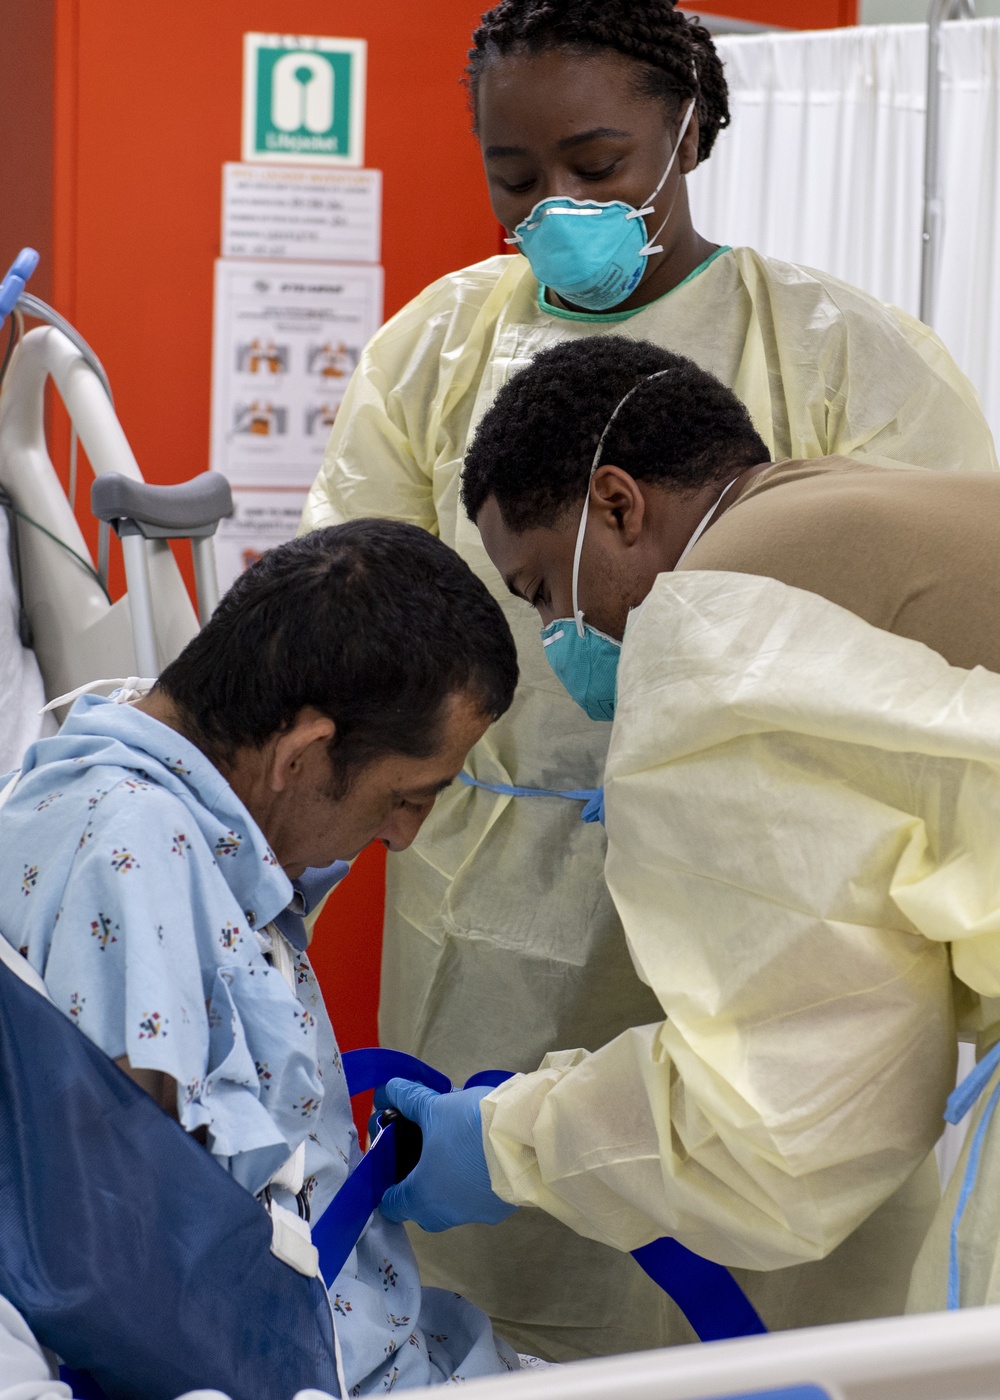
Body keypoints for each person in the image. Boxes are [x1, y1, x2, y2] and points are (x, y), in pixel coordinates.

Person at [300, 0, 998, 1360]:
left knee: (773, 1276)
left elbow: (784, 1120)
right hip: (492, 901)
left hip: (796, 869)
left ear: (690, 133)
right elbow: (345, 609)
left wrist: (512, 1141)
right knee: (508, 1298)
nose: (556, 203)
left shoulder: (820, 393)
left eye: (599, 164)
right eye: (515, 177)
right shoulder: (438, 352)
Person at [375, 334, 1000, 1324]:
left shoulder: (711, 630)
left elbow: (790, 1122)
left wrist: (504, 1144)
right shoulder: (858, 508)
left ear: (619, 503)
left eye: (541, 590)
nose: (559, 636)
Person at [0, 522, 522, 1394]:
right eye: (406, 797)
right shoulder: (138, 863)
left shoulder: (124, 770)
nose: (402, 836)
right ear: (303, 754)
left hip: (395, 1343)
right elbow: (138, 1277)